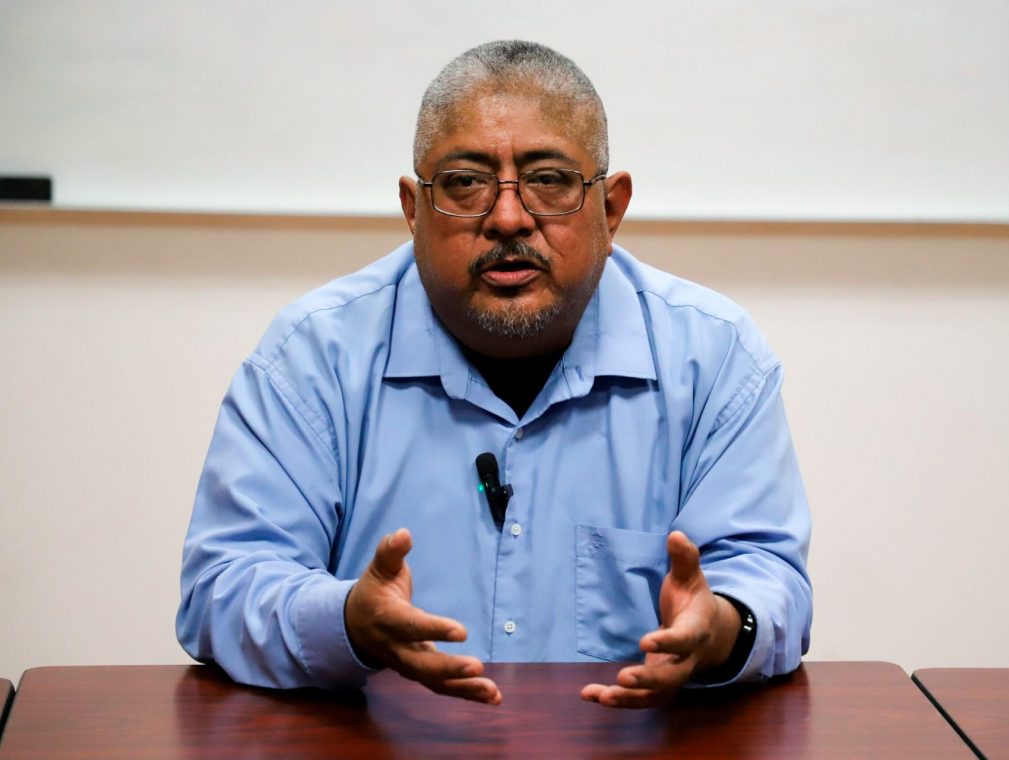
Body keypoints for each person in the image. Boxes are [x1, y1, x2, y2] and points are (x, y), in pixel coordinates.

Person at [177, 40, 812, 709]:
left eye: (549, 180)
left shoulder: (713, 358)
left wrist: (721, 629)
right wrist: (347, 623)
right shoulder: (313, 358)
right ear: (414, 209)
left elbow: (770, 581)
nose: (508, 218)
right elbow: (223, 586)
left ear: (611, 208)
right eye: (465, 183)